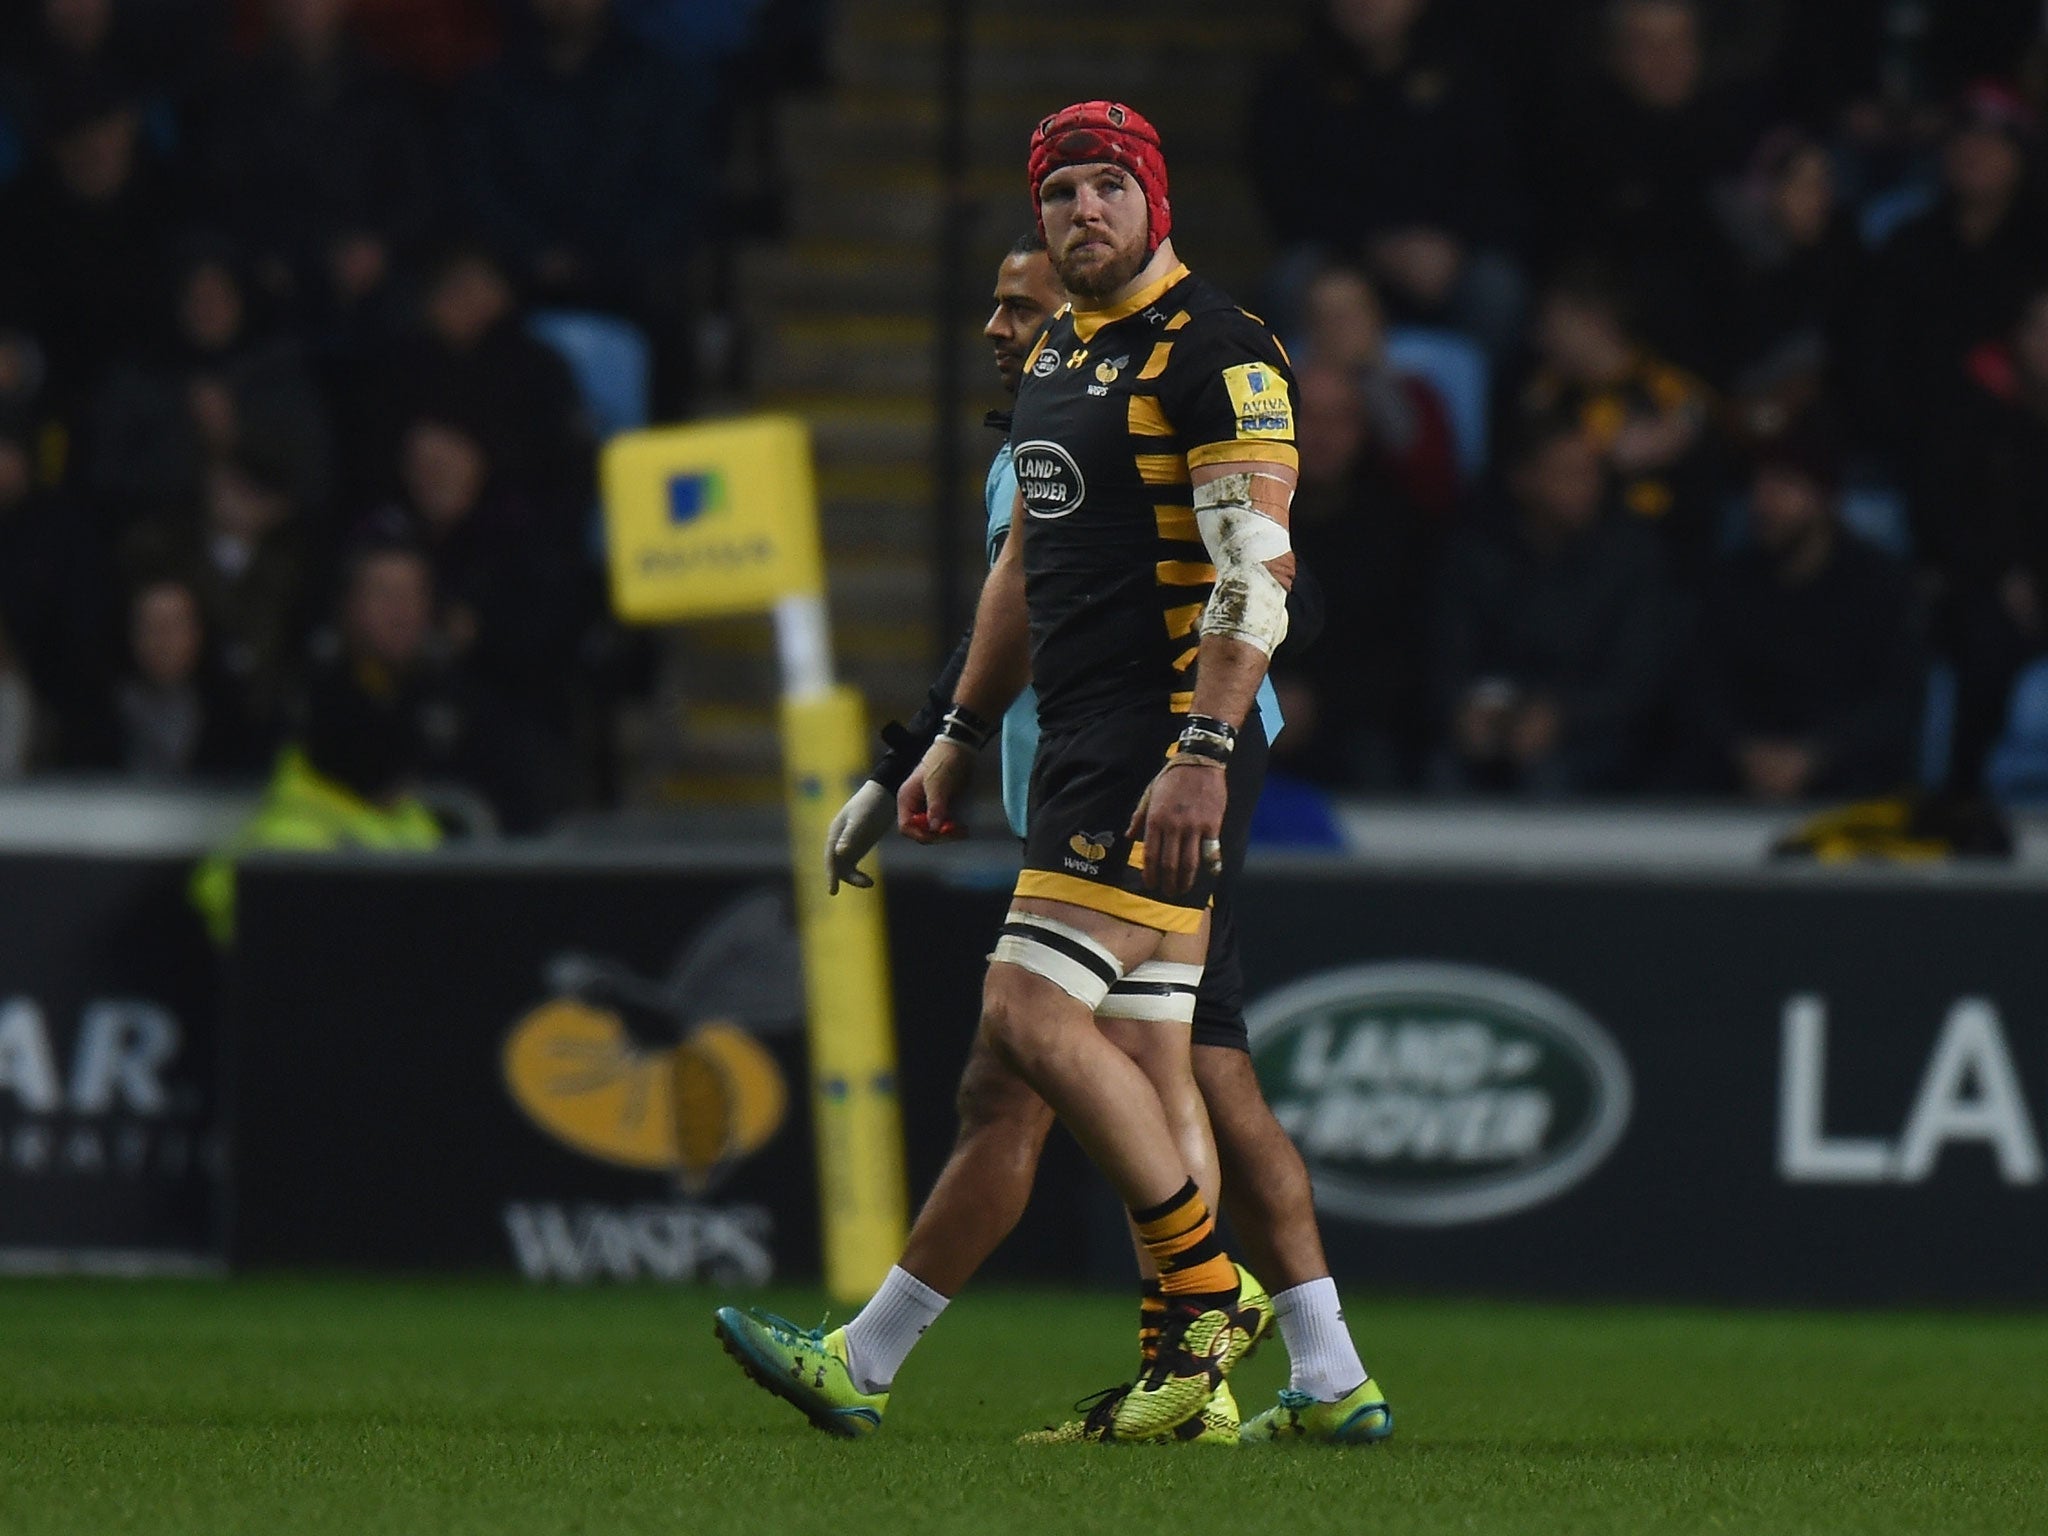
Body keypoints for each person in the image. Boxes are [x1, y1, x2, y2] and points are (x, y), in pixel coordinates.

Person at [716, 102, 1390, 1447]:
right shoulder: (1062, 357)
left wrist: (1201, 749)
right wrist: (953, 737)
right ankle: (1191, 1384)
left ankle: (1203, 1299)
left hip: (1154, 739)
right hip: (1080, 737)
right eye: (1061, 192)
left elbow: (1261, 573)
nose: (1083, 211)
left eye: (1107, 186)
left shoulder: (1222, 354)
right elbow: (1023, 574)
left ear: (1157, 202)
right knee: (1149, 1064)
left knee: (1027, 1019)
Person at [1683, 422, 1925, 802]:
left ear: (1824, 497)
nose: (1763, 502)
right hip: (1737, 780)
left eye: (1782, 485)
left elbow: (1896, 701)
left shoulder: (1881, 586)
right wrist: (1745, 752)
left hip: (1848, 785)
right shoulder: (1730, 582)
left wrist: (1815, 756)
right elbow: (1702, 689)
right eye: (1757, 486)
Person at [1430, 416, 1666, 796]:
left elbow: (1636, 677)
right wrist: (1466, 709)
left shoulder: (1631, 557)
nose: (1584, 488)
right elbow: (1446, 653)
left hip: (1589, 736)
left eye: (1591, 474)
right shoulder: (1476, 551)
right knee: (1443, 771)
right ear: (1523, 480)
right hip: (1490, 726)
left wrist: (1562, 717)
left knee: (1552, 776)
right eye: (1566, 474)